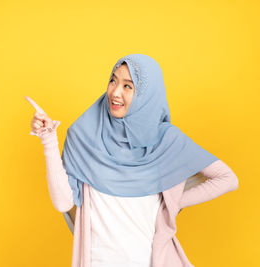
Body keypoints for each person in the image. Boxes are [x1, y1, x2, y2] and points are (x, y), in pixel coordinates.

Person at [25, 54, 239, 267]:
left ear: (146, 95)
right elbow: (63, 203)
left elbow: (228, 179)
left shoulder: (166, 142)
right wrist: (49, 141)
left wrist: (172, 204)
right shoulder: (84, 136)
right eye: (113, 80)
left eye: (128, 86)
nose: (115, 92)